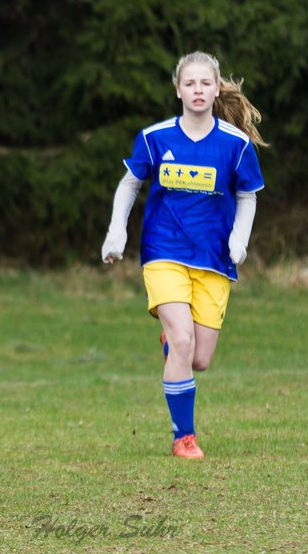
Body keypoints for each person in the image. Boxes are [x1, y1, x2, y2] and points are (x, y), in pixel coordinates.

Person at [101, 51, 266, 460]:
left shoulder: (236, 144)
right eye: (189, 83)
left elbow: (247, 197)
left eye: (205, 83)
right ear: (178, 89)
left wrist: (239, 240)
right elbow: (129, 184)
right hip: (163, 251)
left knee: (200, 359)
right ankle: (184, 437)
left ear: (215, 90)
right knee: (183, 338)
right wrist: (116, 232)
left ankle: (173, 345)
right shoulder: (155, 138)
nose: (197, 90)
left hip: (213, 259)